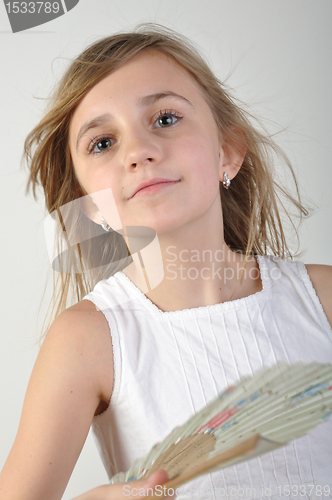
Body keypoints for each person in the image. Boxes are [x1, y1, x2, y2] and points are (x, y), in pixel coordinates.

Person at [0, 23, 331, 500]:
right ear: (89, 205)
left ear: (228, 151)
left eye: (166, 118)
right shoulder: (87, 342)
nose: (139, 151)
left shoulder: (323, 302)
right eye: (102, 142)